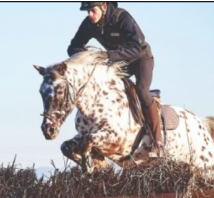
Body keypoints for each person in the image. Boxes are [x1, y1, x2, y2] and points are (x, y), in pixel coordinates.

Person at [68, 1, 162, 156]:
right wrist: (85, 56)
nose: (90, 15)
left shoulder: (122, 17)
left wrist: (107, 55)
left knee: (141, 91)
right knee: (102, 90)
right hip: (118, 63)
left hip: (140, 59)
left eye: (92, 10)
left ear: (104, 6)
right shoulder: (89, 24)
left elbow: (136, 48)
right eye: (87, 12)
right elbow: (72, 47)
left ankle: (158, 142)